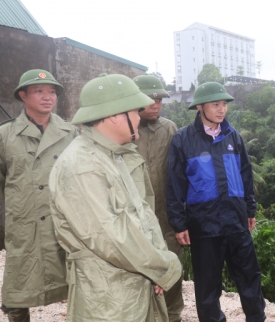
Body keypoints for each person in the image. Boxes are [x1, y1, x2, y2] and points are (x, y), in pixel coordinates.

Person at [49, 73, 182, 321]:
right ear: (114, 116)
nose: (138, 116)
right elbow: (110, 237)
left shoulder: (113, 155)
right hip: (109, 300)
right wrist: (163, 267)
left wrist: (157, 264)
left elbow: (143, 213)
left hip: (130, 285)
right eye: (134, 111)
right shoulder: (83, 165)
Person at [167, 81, 266, 322]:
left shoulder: (233, 137)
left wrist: (250, 209)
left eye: (224, 104)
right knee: (207, 286)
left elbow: (245, 174)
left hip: (235, 220)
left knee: (249, 277)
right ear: (200, 107)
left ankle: (256, 318)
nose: (221, 109)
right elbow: (174, 184)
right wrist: (179, 223)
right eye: (215, 104)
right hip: (204, 225)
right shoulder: (183, 140)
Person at [0, 69, 77, 322]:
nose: (48, 97)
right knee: (17, 290)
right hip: (25, 223)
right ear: (23, 95)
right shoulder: (5, 135)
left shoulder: (70, 133)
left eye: (52, 91)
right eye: (39, 91)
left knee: (78, 281)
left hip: (64, 220)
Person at [133, 74, 183, 322]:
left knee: (171, 267)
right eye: (150, 99)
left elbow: (179, 173)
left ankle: (173, 316)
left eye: (159, 99)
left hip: (166, 216)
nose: (155, 104)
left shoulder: (169, 128)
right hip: (135, 217)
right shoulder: (125, 129)